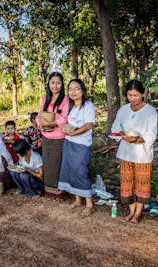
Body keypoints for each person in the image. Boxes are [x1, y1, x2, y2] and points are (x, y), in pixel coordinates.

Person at [111, 80, 158, 224]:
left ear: (142, 94)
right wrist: (121, 135)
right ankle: (131, 211)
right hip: (126, 152)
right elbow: (115, 128)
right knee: (127, 182)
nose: (133, 98)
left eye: (136, 95)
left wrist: (137, 140)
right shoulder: (123, 110)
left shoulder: (150, 111)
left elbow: (151, 133)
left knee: (141, 184)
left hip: (143, 154)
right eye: (130, 95)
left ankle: (138, 213)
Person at [58, 79, 96, 216]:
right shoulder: (71, 107)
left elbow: (88, 125)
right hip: (69, 142)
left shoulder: (88, 106)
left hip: (82, 144)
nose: (73, 92)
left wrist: (74, 132)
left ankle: (89, 204)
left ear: (83, 90)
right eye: (71, 89)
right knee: (71, 171)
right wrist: (68, 131)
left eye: (76, 88)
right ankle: (78, 199)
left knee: (81, 171)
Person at [36, 72, 69, 198]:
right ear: (48, 83)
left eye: (58, 83)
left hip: (59, 137)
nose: (55, 86)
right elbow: (39, 116)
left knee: (58, 164)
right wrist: (42, 125)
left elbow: (65, 118)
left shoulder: (65, 99)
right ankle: (49, 190)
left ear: (62, 84)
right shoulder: (45, 99)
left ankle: (60, 192)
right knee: (48, 164)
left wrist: (52, 123)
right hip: (46, 136)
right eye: (52, 82)